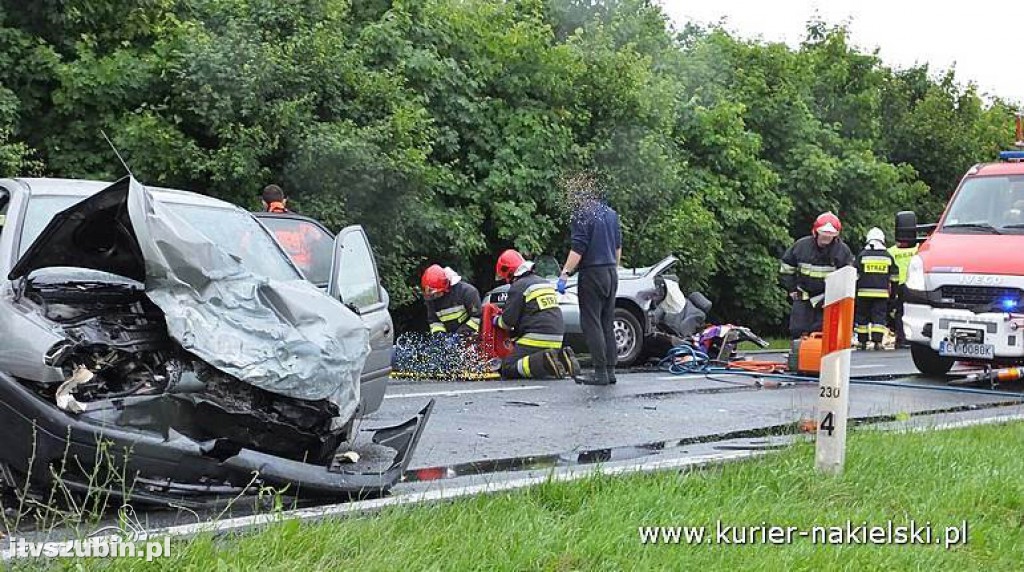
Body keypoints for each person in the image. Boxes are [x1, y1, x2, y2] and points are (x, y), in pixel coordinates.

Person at [557, 191, 622, 386]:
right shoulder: (611, 214)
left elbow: (578, 248)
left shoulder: (582, 215)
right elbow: (618, 247)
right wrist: (613, 269)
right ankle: (610, 371)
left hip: (592, 273)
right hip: (611, 272)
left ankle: (600, 372)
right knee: (607, 322)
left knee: (591, 323)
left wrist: (565, 274)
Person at [493, 249, 579, 379]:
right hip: (557, 337)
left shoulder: (518, 287)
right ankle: (563, 359)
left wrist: (495, 320)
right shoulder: (543, 282)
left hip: (536, 338)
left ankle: (544, 362)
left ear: (509, 272)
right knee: (532, 357)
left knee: (508, 367)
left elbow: (507, 322)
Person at [779, 212, 856, 338]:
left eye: (830, 235)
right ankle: (798, 349)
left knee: (823, 331)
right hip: (803, 295)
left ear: (836, 235)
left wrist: (838, 296)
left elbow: (848, 277)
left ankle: (818, 351)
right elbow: (787, 268)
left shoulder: (842, 251)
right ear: (815, 232)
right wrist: (792, 288)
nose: (826, 237)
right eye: (823, 234)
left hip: (827, 298)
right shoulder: (801, 247)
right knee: (797, 330)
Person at [854, 228, 899, 350]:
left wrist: (854, 291)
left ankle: (862, 342)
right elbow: (895, 277)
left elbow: (855, 275)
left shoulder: (862, 255)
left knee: (862, 317)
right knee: (879, 318)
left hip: (863, 293)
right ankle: (877, 342)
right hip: (881, 294)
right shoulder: (888, 256)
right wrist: (893, 294)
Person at [422, 264, 482, 336]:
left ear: (445, 288)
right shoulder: (431, 299)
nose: (433, 297)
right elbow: (435, 322)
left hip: (471, 335)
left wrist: (460, 335)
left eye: (436, 294)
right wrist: (440, 337)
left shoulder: (468, 292)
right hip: (449, 335)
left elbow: (476, 318)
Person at [887, 232, 919, 349]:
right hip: (914, 284)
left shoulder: (891, 251)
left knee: (899, 313)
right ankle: (914, 338)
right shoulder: (917, 249)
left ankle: (901, 339)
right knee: (914, 312)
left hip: (898, 285)